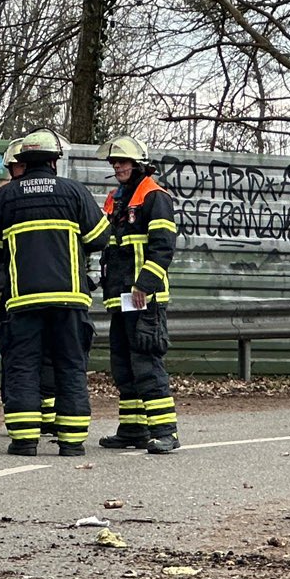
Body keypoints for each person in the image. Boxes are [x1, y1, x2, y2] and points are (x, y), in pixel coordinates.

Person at [0, 130, 106, 456]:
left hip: (22, 301)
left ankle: (25, 441)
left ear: (22, 161)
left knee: (23, 368)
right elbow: (100, 237)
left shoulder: (1, 198)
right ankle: (72, 443)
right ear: (54, 161)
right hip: (69, 300)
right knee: (70, 367)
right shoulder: (74, 192)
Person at [96, 135, 180, 454]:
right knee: (123, 365)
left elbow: (163, 248)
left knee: (146, 363)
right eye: (114, 162)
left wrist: (144, 284)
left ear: (139, 164)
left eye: (123, 162)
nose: (117, 166)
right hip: (121, 298)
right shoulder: (117, 200)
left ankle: (165, 431)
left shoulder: (154, 197)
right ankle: (133, 429)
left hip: (145, 298)